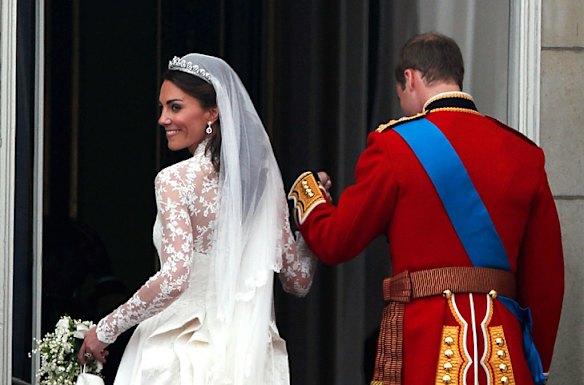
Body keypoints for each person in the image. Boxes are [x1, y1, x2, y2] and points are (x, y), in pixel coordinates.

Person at [288, 33, 563, 385]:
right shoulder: (523, 153)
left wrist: (309, 194)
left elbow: (337, 239)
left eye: (400, 91)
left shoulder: (393, 145)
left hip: (426, 346)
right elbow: (547, 278)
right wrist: (536, 361)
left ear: (410, 78)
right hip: (503, 351)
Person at [78, 53, 317, 385]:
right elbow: (299, 280)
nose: (163, 119)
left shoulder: (174, 180)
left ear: (212, 113)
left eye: (175, 107)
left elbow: (176, 276)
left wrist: (105, 330)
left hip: (181, 350)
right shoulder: (262, 186)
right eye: (162, 108)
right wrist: (311, 216)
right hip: (248, 360)